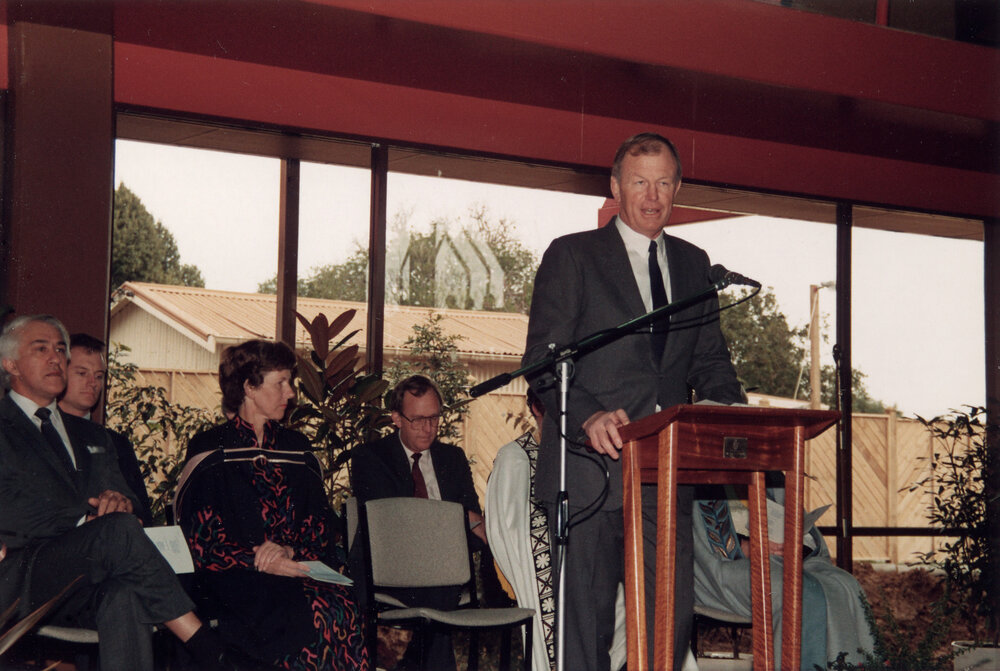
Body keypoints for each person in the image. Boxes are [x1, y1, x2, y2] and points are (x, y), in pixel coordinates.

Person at [522, 132, 744, 671]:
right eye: (640, 182)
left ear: (677, 188)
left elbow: (710, 363)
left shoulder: (694, 264)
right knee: (586, 634)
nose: (652, 196)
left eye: (663, 183)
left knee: (666, 626)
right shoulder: (573, 254)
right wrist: (588, 414)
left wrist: (729, 414)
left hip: (664, 477)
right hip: (588, 472)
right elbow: (542, 362)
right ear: (616, 186)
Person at [0, 314, 233, 670]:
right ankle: (209, 650)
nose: (55, 358)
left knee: (124, 594)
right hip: (22, 578)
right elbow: (9, 508)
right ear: (11, 364)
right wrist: (87, 518)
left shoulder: (93, 435)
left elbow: (131, 503)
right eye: (41, 349)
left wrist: (121, 503)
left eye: (60, 350)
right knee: (115, 531)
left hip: (87, 578)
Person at [175, 339, 369, 670]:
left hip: (296, 567)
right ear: (249, 387)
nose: (290, 393)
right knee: (302, 610)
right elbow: (201, 539)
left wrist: (289, 550)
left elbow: (319, 524)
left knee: (338, 604)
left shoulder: (296, 447)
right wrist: (259, 560)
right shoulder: (211, 449)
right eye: (281, 382)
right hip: (232, 575)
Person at [350, 374, 484, 671]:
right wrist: (453, 518)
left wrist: (463, 522)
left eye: (434, 418)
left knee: (438, 590)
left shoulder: (452, 458)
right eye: (418, 419)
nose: (428, 428)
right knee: (434, 606)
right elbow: (391, 523)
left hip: (443, 570)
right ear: (397, 419)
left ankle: (398, 658)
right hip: (393, 568)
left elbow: (474, 523)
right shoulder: (371, 457)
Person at [693, 489, 874, 669]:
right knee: (797, 592)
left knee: (845, 584)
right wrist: (746, 546)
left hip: (782, 561)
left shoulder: (772, 475)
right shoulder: (697, 474)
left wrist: (795, 544)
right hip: (723, 566)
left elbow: (801, 527)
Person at [58, 332, 153, 525]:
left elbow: (143, 513)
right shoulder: (40, 431)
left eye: (99, 376)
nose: (92, 383)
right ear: (60, 373)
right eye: (82, 373)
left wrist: (124, 504)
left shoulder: (117, 443)